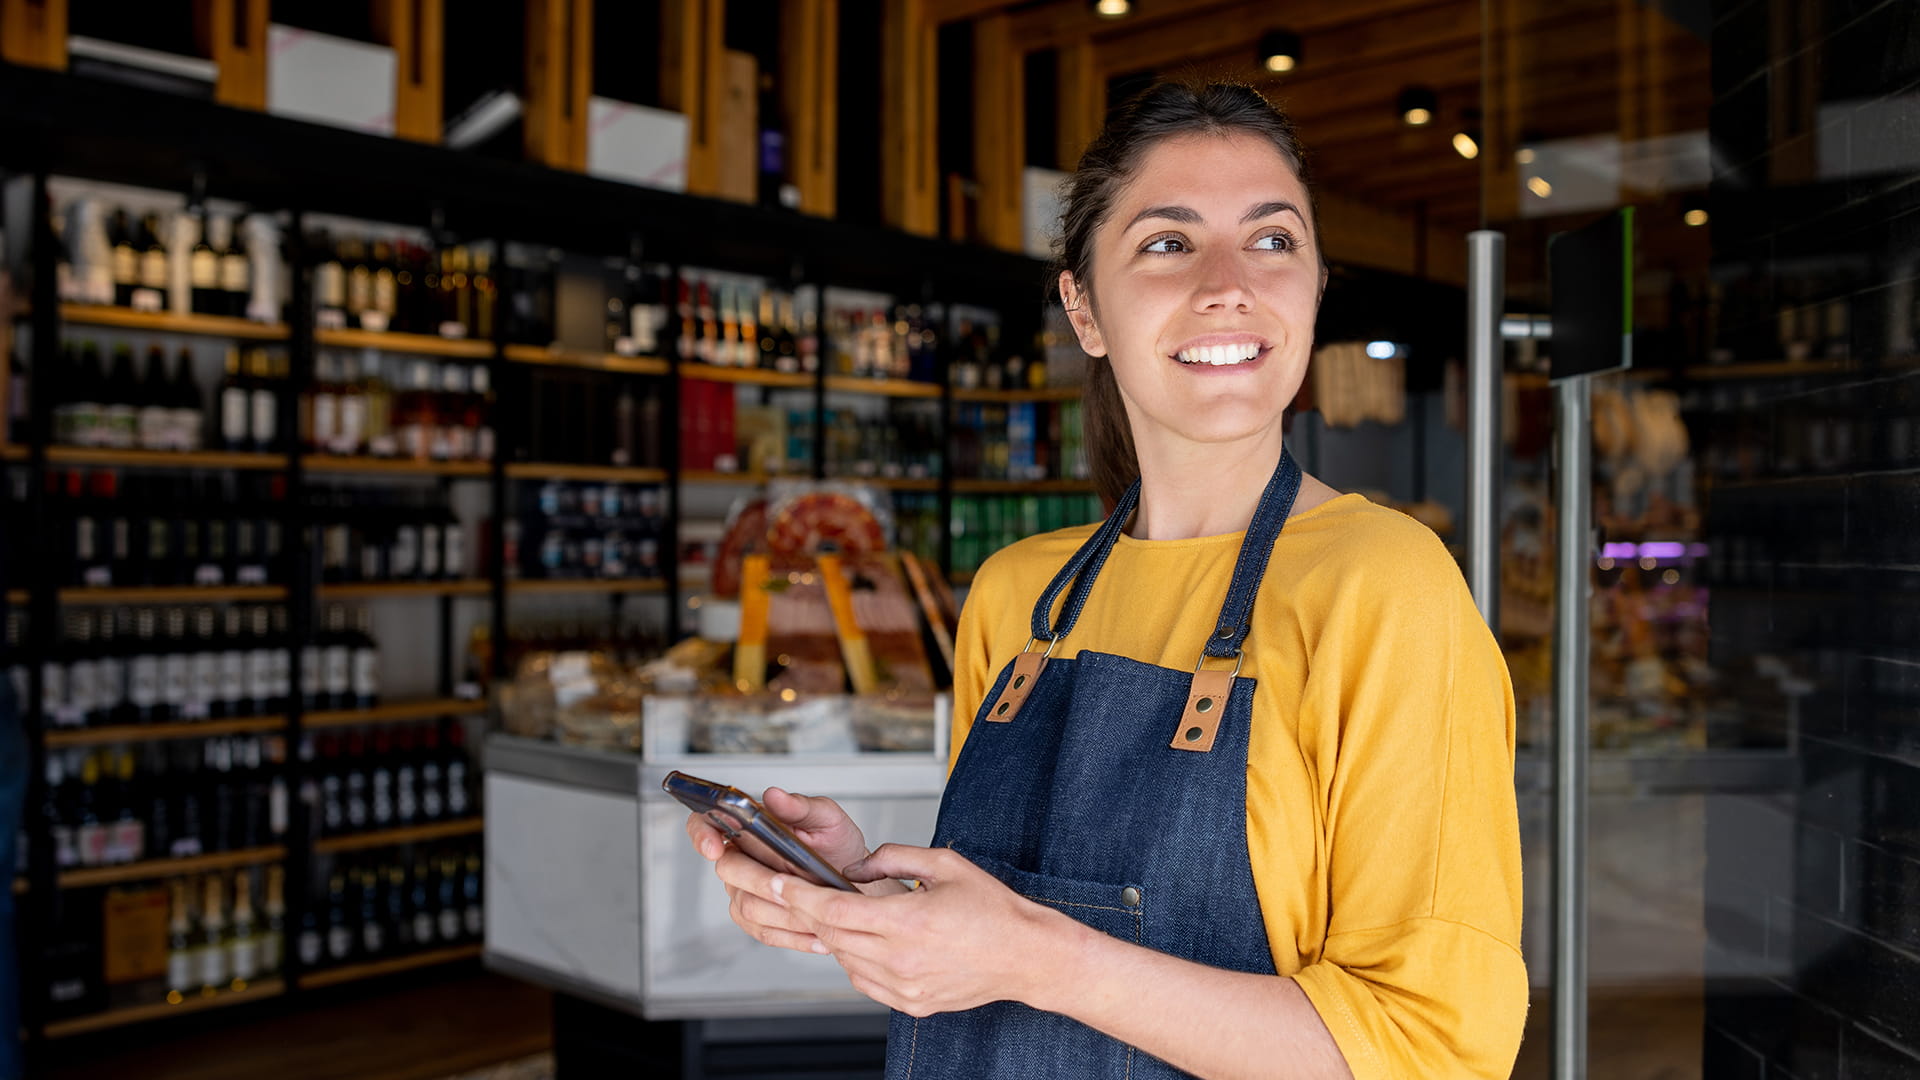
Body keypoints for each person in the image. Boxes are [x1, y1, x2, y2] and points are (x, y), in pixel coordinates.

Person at [686, 80, 1526, 1080]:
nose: (1229, 283)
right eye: (1168, 244)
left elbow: (1430, 1051)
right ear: (1083, 308)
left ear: (1312, 288)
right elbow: (1012, 945)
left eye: (1272, 240)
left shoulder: (1385, 588)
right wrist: (875, 899)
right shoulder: (1020, 600)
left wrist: (1036, 958)